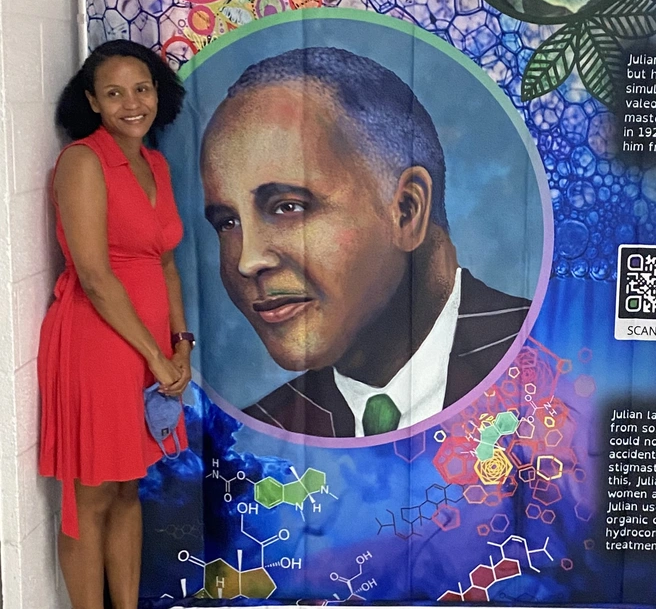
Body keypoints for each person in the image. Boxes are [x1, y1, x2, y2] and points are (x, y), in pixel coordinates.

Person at [200, 45, 530, 438]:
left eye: (288, 207)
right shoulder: (259, 438)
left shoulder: (549, 360)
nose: (247, 260)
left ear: (407, 210)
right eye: (227, 222)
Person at [39, 40, 193, 609]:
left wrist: (181, 346)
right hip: (99, 343)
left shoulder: (156, 163)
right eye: (114, 92)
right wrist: (155, 356)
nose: (132, 103)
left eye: (142, 88)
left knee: (131, 487)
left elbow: (168, 263)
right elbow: (96, 277)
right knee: (93, 494)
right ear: (92, 102)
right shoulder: (82, 160)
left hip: (151, 344)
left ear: (158, 93)